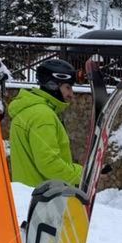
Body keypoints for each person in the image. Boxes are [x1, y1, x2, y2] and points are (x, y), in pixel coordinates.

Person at [8, 57, 84, 186]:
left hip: (32, 195)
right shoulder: (43, 116)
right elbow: (49, 164)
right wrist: (82, 175)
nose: (71, 94)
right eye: (68, 87)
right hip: (45, 200)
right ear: (53, 85)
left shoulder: (30, 110)